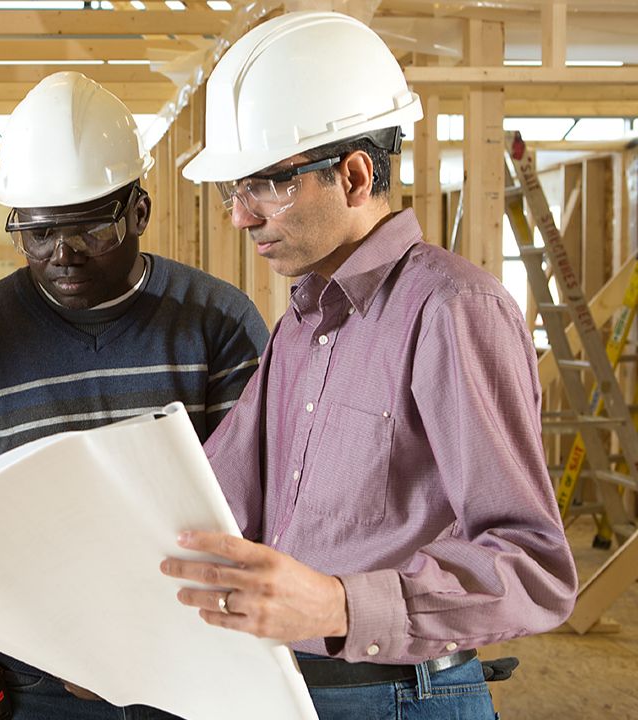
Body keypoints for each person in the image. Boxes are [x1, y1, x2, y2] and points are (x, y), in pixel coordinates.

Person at [159, 11, 578, 720]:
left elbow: (535, 568)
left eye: (265, 185)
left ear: (354, 175)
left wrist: (336, 603)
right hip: (290, 690)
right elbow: (218, 497)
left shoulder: (452, 310)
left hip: (403, 697)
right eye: (235, 191)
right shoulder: (301, 324)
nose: (241, 216)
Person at [0, 71, 270, 719]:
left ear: (139, 213)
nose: (63, 255)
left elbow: (257, 510)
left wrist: (140, 633)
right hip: (42, 684)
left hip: (195, 663)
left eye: (91, 231)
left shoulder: (217, 323)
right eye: (38, 233)